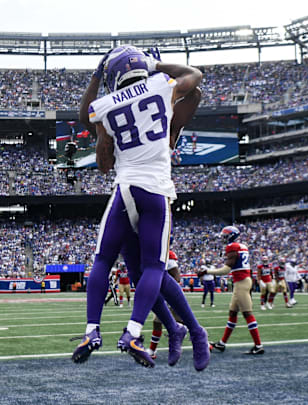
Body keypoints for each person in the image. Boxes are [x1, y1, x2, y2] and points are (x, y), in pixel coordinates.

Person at [71, 45, 209, 371]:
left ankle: (189, 331)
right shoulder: (162, 86)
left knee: (133, 266)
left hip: (129, 188)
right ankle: (171, 330)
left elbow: (88, 124)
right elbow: (195, 81)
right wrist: (157, 64)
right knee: (144, 272)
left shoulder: (104, 104)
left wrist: (96, 74)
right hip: (152, 189)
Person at [201, 226, 264, 355]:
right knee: (232, 313)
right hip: (242, 281)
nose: (223, 239)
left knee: (247, 314)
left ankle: (258, 346)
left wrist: (207, 271)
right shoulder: (242, 246)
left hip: (241, 282)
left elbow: (226, 270)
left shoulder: (232, 247)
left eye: (225, 236)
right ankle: (222, 343)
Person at [146, 249, 188, 365]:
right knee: (157, 321)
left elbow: (176, 277)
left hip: (171, 294)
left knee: (182, 322)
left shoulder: (167, 255)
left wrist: (169, 294)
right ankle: (152, 350)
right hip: (163, 294)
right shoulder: (154, 253)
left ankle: (202, 342)